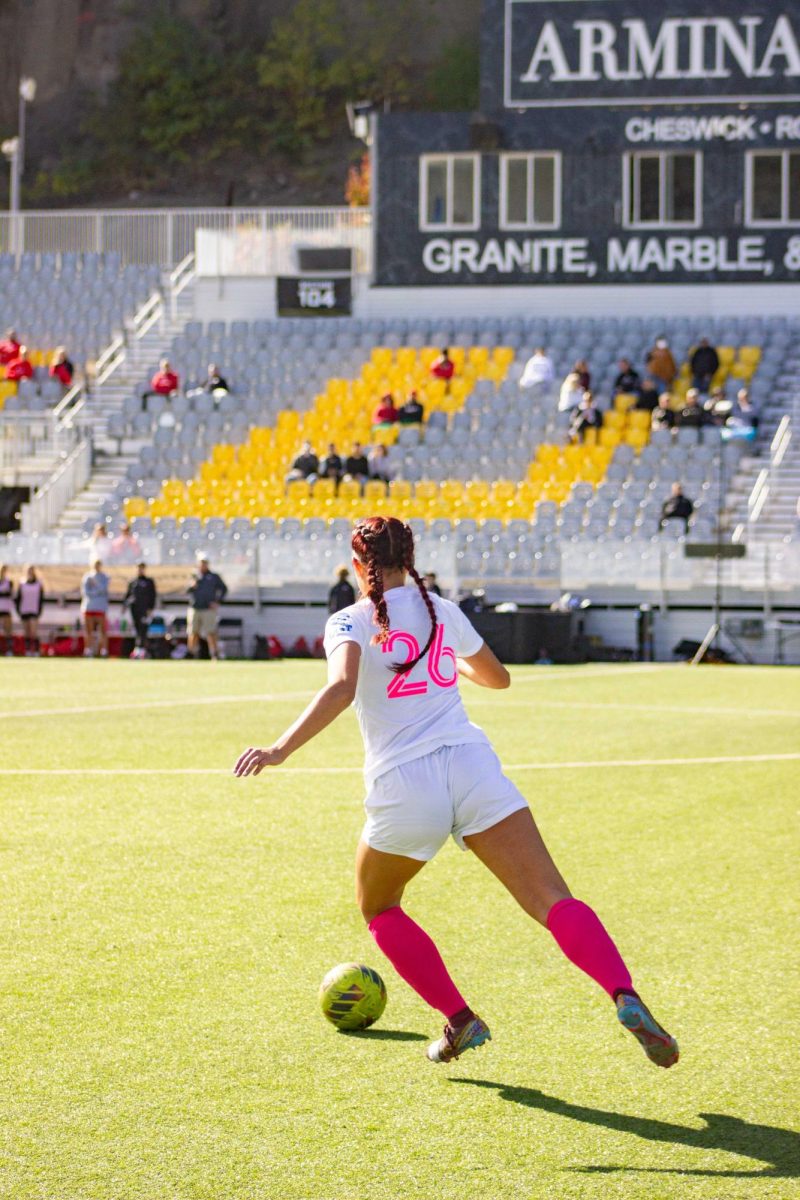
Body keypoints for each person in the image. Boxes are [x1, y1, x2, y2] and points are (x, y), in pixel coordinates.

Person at [234, 516, 679, 1069]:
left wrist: (278, 749)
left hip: (405, 784)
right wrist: (447, 666)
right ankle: (623, 993)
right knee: (553, 900)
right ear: (411, 558)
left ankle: (461, 1019)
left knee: (379, 906)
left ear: (357, 566)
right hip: (473, 768)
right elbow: (498, 677)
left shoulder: (347, 621)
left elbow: (343, 687)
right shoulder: (443, 610)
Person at [187, 556, 227, 660]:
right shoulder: (194, 576)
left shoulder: (213, 577)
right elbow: (187, 590)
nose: (203, 565)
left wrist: (218, 602)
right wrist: (192, 585)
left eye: (205, 563)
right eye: (201, 563)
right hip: (195, 608)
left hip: (208, 609)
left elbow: (224, 589)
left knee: (210, 632)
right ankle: (191, 654)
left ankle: (214, 654)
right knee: (193, 632)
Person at [124, 562, 157, 658]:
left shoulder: (149, 582)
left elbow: (153, 596)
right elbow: (128, 596)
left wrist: (150, 608)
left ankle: (142, 649)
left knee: (143, 629)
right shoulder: (132, 582)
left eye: (142, 568)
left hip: (144, 610)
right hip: (134, 610)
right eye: (138, 568)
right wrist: (125, 606)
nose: (140, 570)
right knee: (137, 629)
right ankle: (137, 649)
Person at [81, 560, 110, 657]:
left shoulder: (105, 577)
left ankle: (103, 650)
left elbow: (103, 588)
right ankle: (88, 649)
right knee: (89, 630)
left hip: (100, 607)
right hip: (89, 606)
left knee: (102, 630)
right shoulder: (87, 576)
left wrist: (95, 584)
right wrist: (96, 592)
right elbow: (86, 592)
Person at [15, 565, 44, 656]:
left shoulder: (39, 584)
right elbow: (18, 599)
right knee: (26, 632)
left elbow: (41, 599)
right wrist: (18, 611)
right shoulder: (22, 584)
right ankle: (27, 650)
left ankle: (36, 650)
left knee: (33, 632)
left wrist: (39, 611)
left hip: (34, 610)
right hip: (24, 610)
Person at [0, 563, 14, 655]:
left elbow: (10, 594)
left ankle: (9, 650)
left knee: (7, 630)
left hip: (5, 609)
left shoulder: (9, 582)